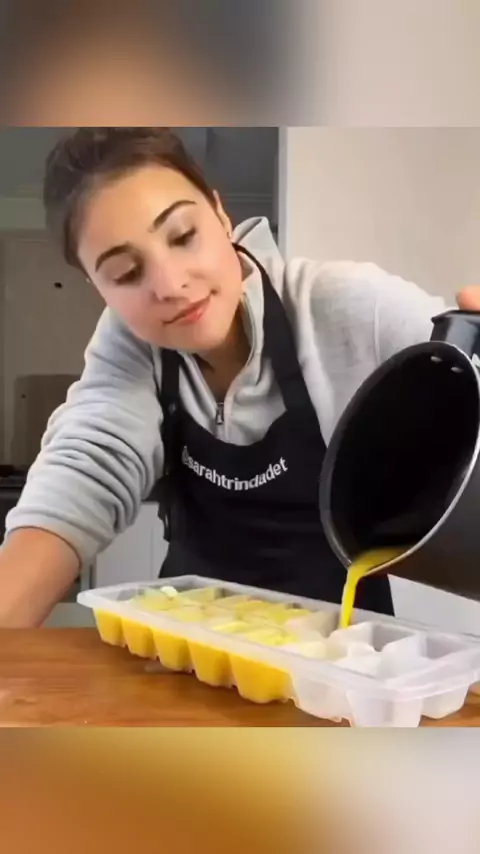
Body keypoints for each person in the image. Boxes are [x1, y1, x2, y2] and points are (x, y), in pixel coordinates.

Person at [0, 127, 479, 628]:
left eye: (183, 236)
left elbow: (462, 381)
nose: (171, 284)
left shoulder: (348, 306)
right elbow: (85, 473)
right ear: (97, 286)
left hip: (343, 656)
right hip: (191, 649)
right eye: (125, 273)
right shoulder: (131, 344)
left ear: (220, 213)